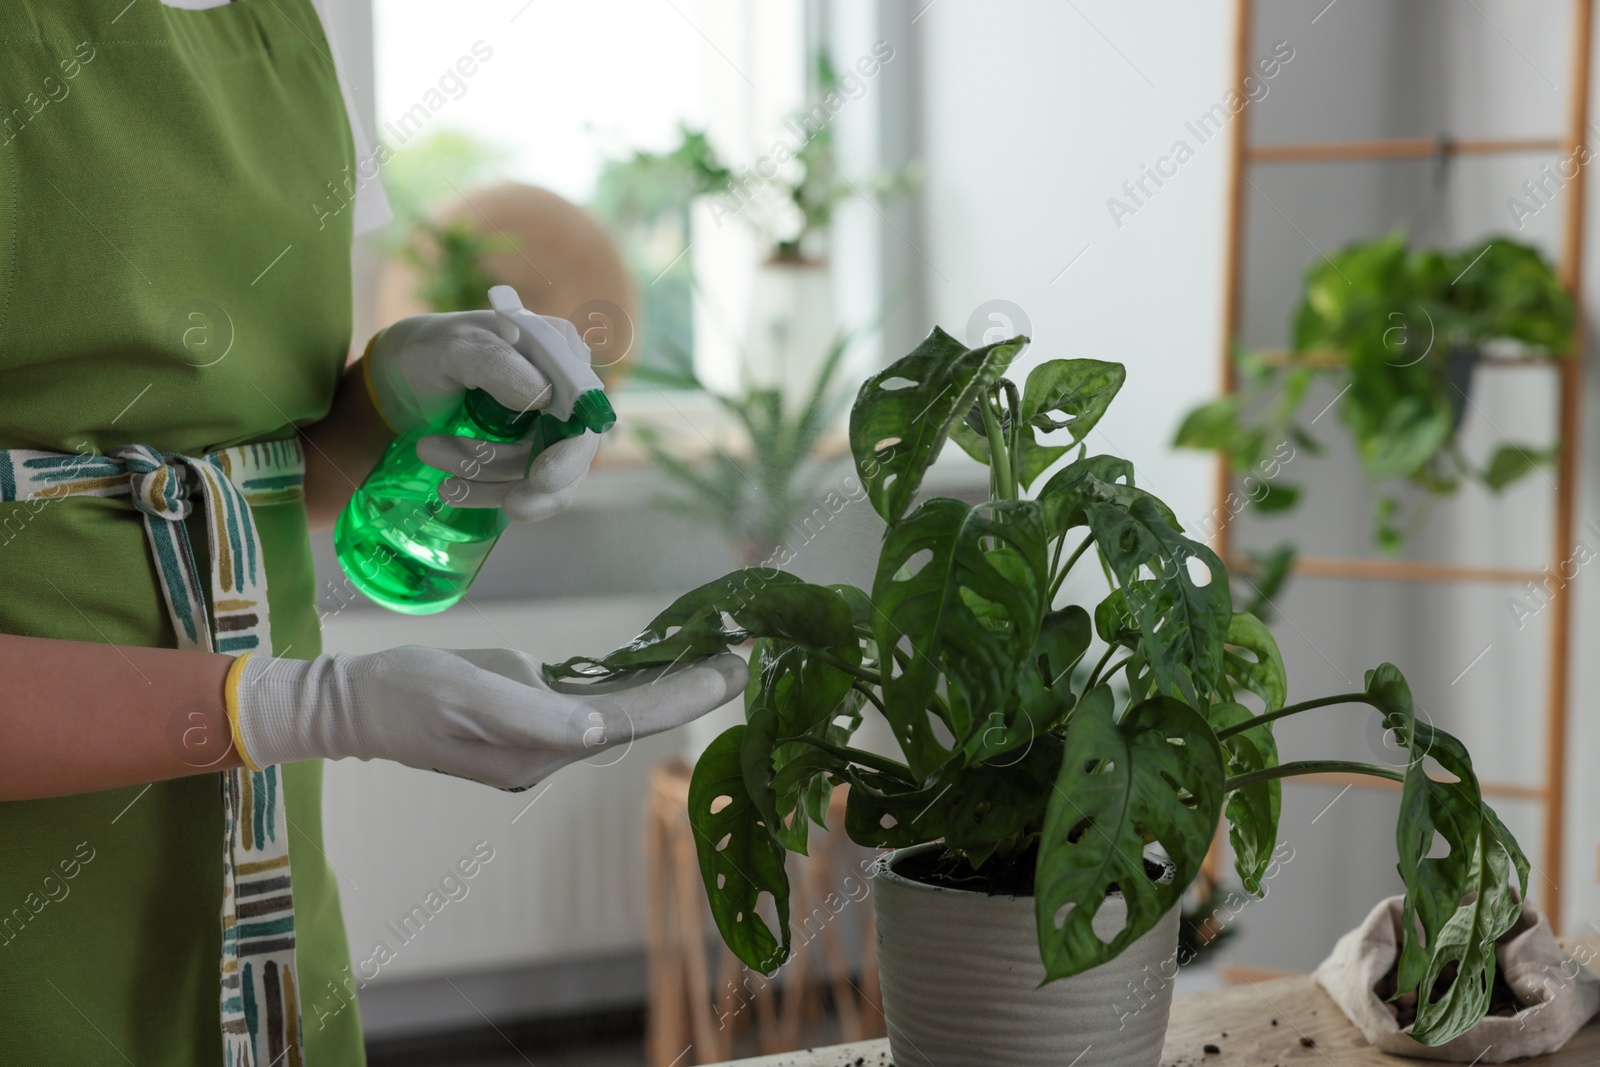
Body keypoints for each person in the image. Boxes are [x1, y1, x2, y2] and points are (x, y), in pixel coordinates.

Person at [0, 2, 746, 1064]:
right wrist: (305, 702)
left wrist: (394, 394)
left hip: (255, 895)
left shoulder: (297, 29)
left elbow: (254, 479)